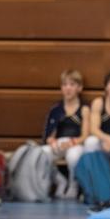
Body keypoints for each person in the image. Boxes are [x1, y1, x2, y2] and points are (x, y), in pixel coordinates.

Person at [42, 69, 89, 199]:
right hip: (60, 143)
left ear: (79, 88)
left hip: (76, 143)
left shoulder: (84, 109)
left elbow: (86, 135)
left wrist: (72, 142)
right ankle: (60, 181)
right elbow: (49, 134)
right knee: (43, 153)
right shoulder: (56, 109)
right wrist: (51, 141)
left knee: (73, 156)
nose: (68, 88)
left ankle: (74, 184)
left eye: (72, 85)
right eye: (65, 85)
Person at [85, 70, 110, 188]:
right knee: (91, 142)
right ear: (106, 87)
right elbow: (93, 129)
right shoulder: (98, 103)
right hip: (103, 142)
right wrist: (107, 139)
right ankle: (96, 187)